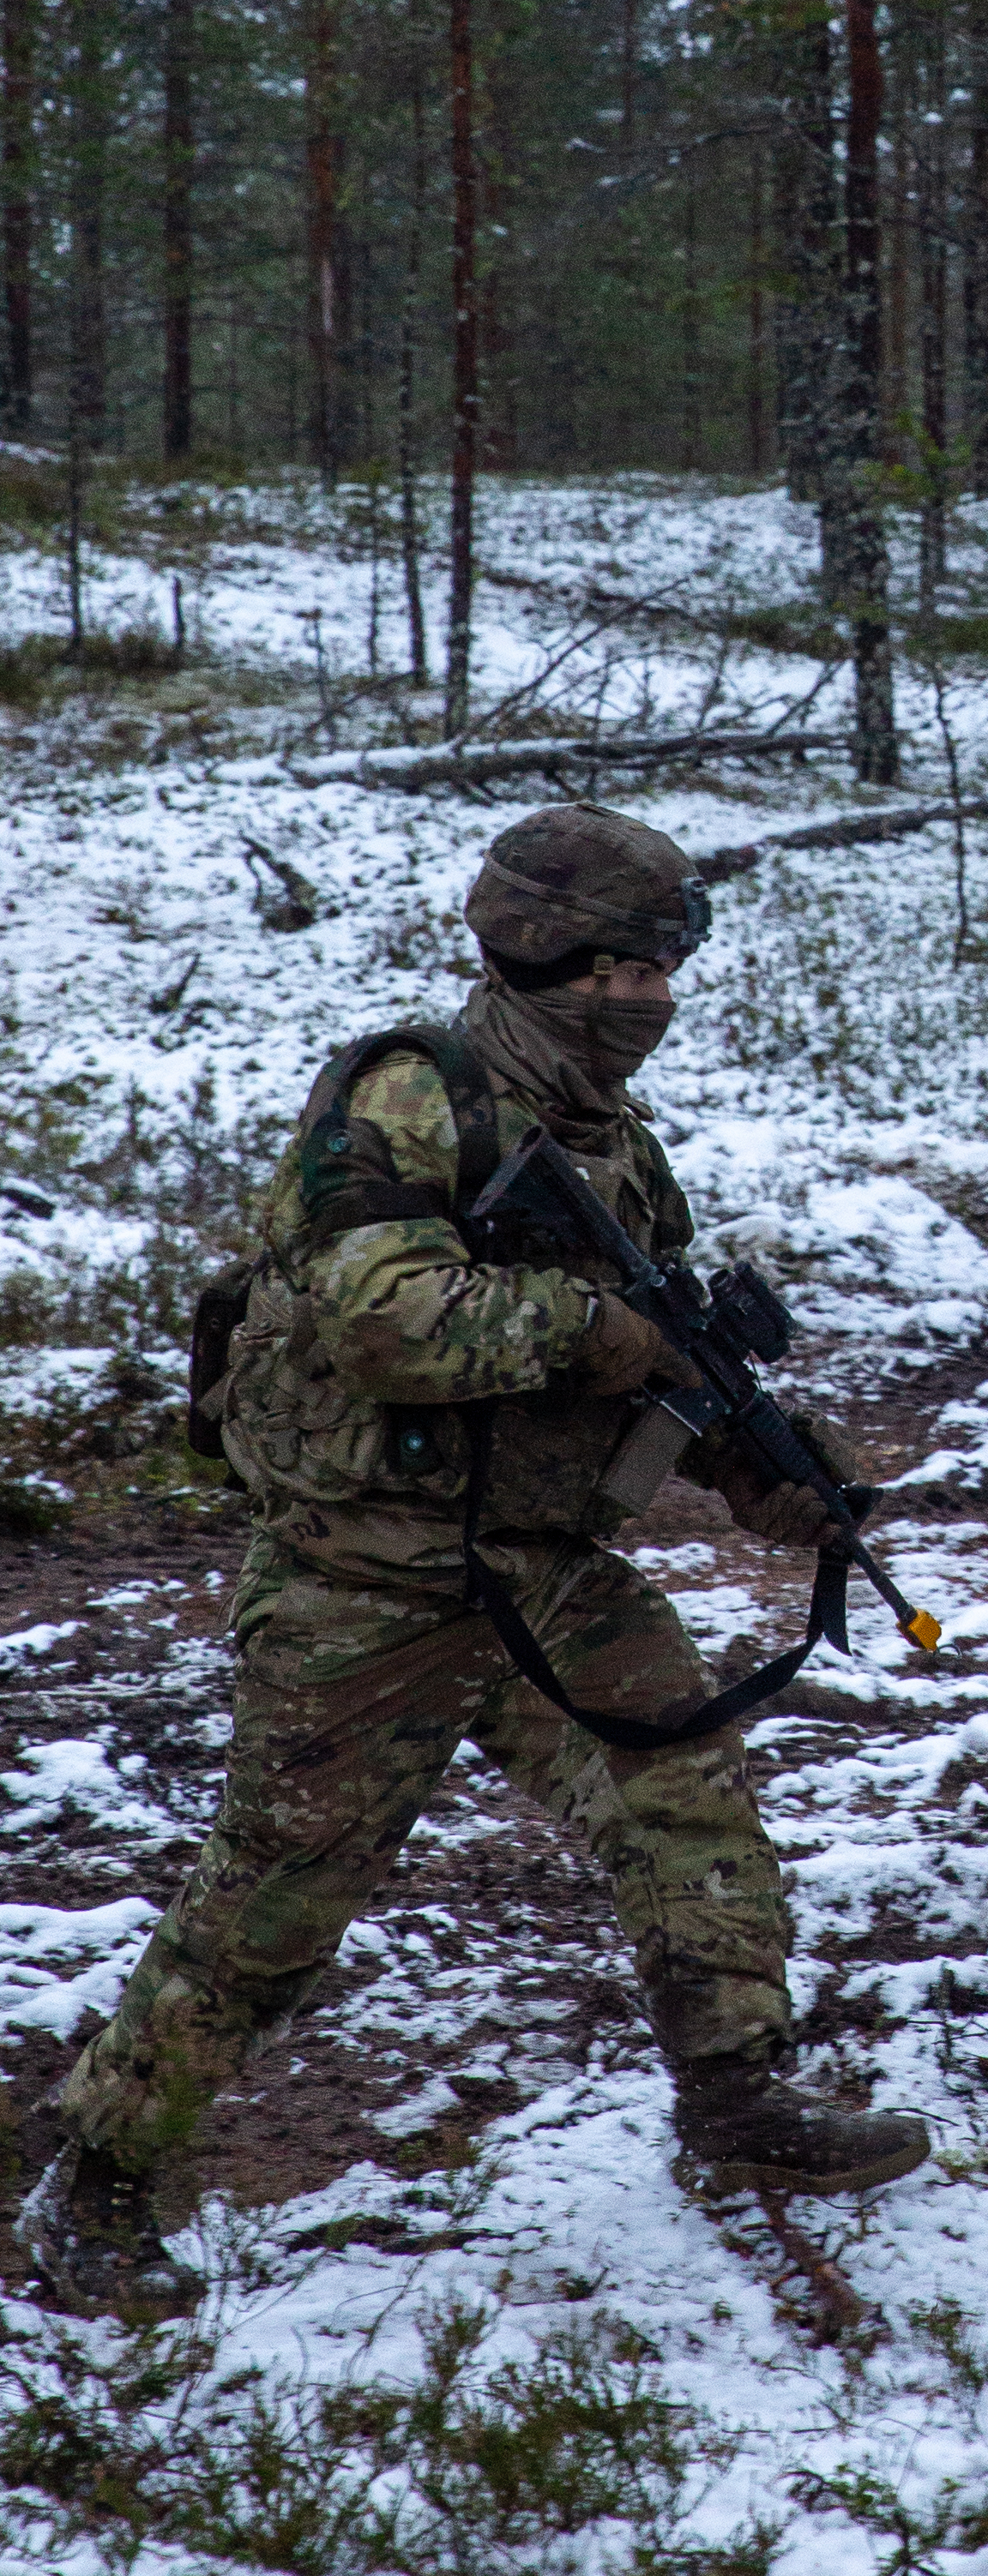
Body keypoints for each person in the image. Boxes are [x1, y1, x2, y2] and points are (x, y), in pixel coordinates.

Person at [19, 802, 927, 2322]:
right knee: (276, 1901)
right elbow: (384, 1315)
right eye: (609, 965)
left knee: (683, 1791)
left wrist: (764, 1470)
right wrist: (588, 1329)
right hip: (361, 1578)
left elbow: (652, 1363)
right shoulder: (408, 1095)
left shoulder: (614, 1145)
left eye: (660, 967)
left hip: (542, 1572)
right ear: (524, 946)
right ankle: (102, 2185)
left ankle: (737, 2098)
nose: (639, 996)